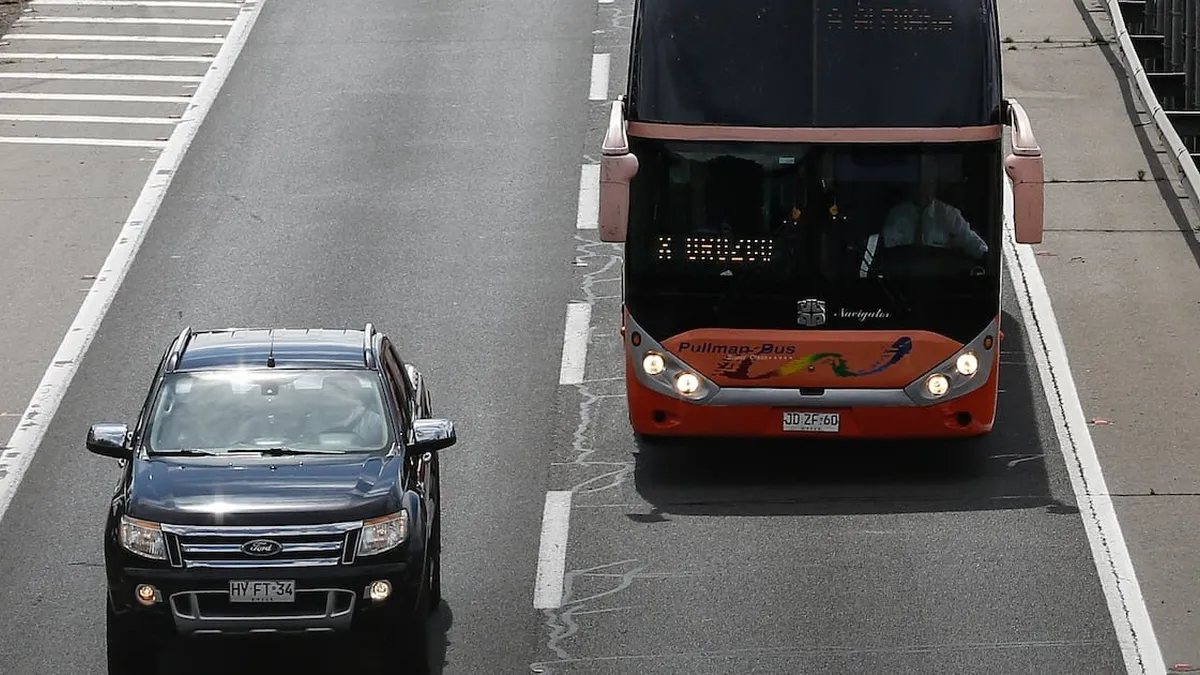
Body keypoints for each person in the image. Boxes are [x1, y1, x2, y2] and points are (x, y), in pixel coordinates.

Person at [879, 162, 988, 260]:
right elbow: (886, 250)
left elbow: (975, 244)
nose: (923, 188)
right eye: (920, 183)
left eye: (929, 183)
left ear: (935, 185)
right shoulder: (897, 214)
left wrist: (983, 256)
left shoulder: (949, 215)